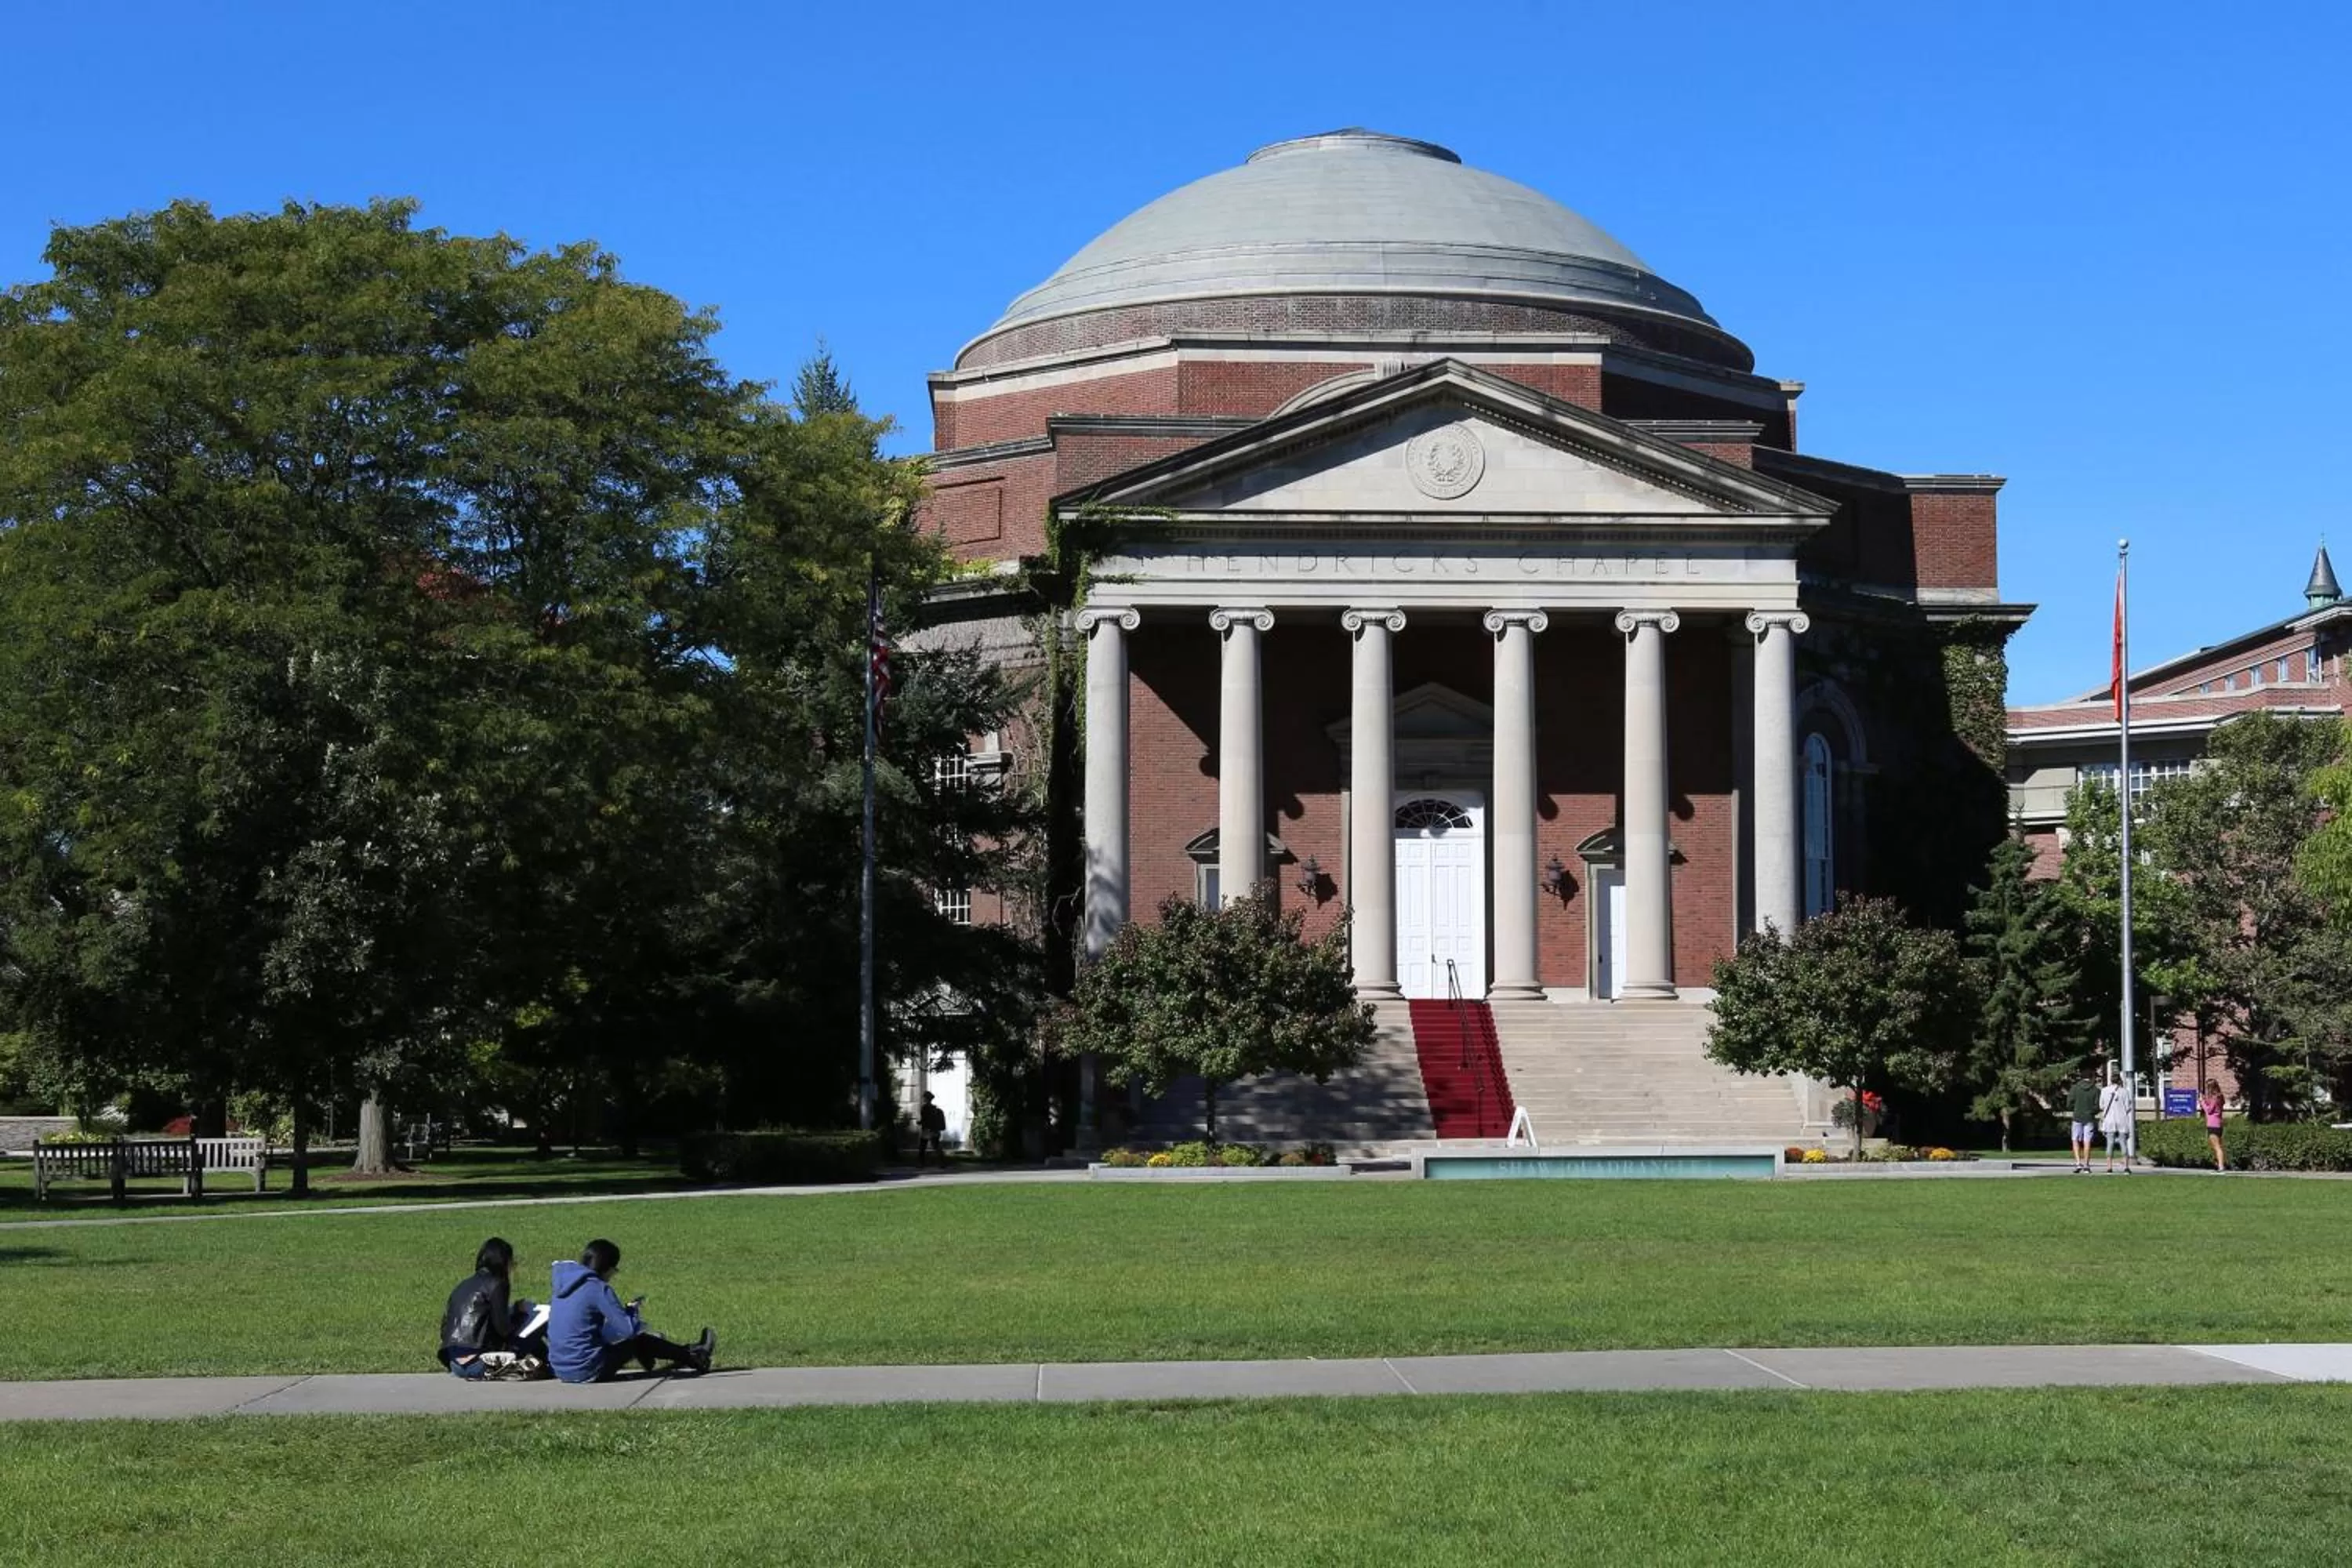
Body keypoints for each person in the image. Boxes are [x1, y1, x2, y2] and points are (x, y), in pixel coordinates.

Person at [547, 1238, 716, 1384]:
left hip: (560, 1368)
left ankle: (683, 1353)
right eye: (615, 1269)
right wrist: (631, 1310)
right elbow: (628, 1330)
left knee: (620, 1339)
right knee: (638, 1340)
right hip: (586, 1369)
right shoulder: (598, 1288)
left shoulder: (563, 1285)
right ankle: (694, 1357)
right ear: (608, 1268)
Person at [438, 1236, 546, 1379]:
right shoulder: (498, 1284)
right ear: (504, 1261)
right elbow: (504, 1330)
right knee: (538, 1320)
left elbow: (445, 1327)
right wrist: (519, 1314)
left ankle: (544, 1364)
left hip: (454, 1363)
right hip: (480, 1361)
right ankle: (553, 1364)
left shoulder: (462, 1286)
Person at [2098, 1065, 2134, 1174]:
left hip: (2109, 1120)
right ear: (2120, 1080)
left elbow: (2101, 1106)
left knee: (2110, 1143)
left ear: (2110, 1080)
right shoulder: (2125, 1092)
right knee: (2123, 1143)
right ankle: (2126, 1167)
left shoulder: (2104, 1091)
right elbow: (2128, 1108)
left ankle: (2109, 1167)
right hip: (2122, 1120)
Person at [2067, 1068, 2101, 1174]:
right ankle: (2086, 1164)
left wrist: (2076, 1108)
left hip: (2077, 1117)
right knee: (2087, 1141)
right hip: (2089, 1118)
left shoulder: (2075, 1088)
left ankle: (2078, 1163)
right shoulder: (2095, 1090)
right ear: (2091, 1077)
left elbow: (2069, 1104)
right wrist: (2091, 1112)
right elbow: (2097, 1106)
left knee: (2075, 1140)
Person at [2201, 1080, 2228, 1172]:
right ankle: (2219, 1164)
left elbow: (2209, 1110)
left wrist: (2202, 1102)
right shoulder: (2220, 1097)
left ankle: (2221, 1166)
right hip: (2219, 1124)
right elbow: (2215, 1107)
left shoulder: (2214, 1097)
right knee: (2218, 1146)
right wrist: (2206, 1100)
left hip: (2213, 1124)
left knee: (2217, 1147)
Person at [917, 1091, 947, 1167]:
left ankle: (921, 1163)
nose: (923, 1098)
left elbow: (924, 1120)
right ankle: (942, 1163)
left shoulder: (924, 1108)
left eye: (924, 1097)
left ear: (926, 1098)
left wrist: (919, 1122)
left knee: (922, 1148)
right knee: (937, 1147)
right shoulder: (935, 1109)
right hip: (935, 1130)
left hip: (926, 1130)